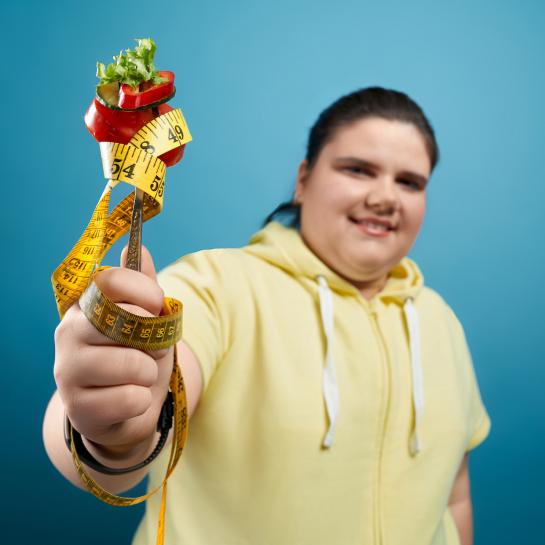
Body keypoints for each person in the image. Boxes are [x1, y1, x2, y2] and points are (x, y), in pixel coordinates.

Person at [43, 87, 491, 545]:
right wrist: (113, 431)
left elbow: (453, 494)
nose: (384, 197)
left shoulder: (440, 322)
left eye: (409, 182)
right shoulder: (214, 287)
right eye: (358, 170)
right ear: (303, 180)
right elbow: (117, 431)